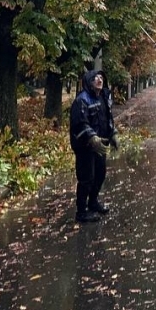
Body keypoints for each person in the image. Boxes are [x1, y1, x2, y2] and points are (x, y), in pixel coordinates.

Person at [69, 69, 118, 223]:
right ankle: (81, 212)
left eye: (101, 77)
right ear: (89, 82)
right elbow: (79, 124)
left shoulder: (104, 97)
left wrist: (113, 134)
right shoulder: (82, 100)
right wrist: (92, 138)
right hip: (85, 148)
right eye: (95, 78)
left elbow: (108, 118)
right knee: (86, 178)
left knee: (100, 174)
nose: (99, 80)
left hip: (100, 145)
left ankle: (93, 202)